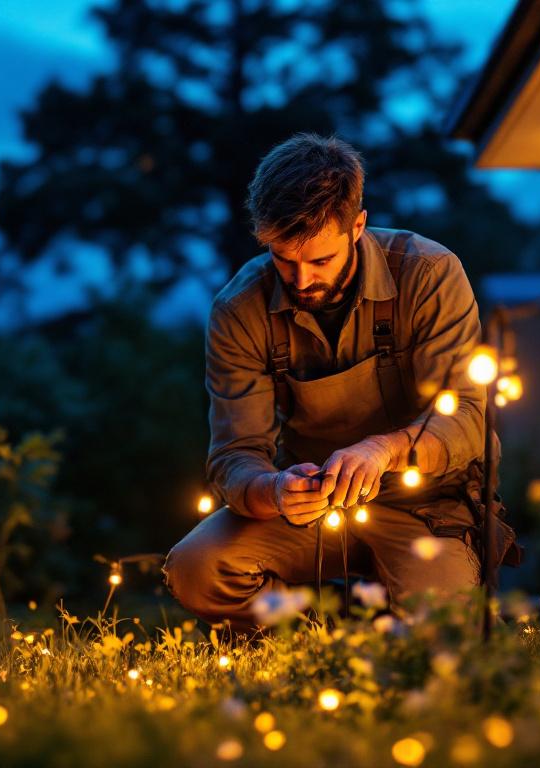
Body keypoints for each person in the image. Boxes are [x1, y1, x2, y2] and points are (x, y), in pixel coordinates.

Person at [162, 132, 493, 633]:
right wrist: (273, 489)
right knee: (196, 569)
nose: (301, 281)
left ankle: (394, 627)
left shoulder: (429, 274)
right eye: (283, 258)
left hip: (427, 507)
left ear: (357, 226)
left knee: (441, 635)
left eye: (320, 261)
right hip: (308, 512)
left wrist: (383, 450)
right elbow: (233, 457)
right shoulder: (239, 310)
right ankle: (315, 638)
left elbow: (468, 417)